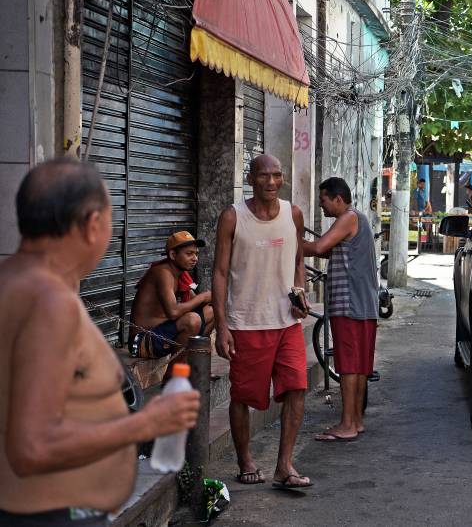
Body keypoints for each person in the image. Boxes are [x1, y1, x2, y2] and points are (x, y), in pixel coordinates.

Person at [0, 158, 199, 525]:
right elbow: (32, 447)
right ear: (93, 225)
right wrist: (145, 424)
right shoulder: (47, 303)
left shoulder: (18, 283)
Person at [212, 154, 311, 489]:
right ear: (250, 178)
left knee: (297, 388)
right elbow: (220, 273)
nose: (271, 182)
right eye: (264, 176)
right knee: (243, 397)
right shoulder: (232, 217)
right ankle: (245, 460)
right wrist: (222, 326)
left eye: (277, 175)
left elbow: (298, 259)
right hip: (246, 323)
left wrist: (300, 293)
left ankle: (285, 465)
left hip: (287, 323)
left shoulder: (293, 214)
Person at [303, 178, 379, 442]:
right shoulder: (358, 219)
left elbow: (319, 247)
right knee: (357, 366)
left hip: (349, 304)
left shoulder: (347, 217)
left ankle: (346, 424)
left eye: (323, 200)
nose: (321, 206)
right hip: (364, 304)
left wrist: (286, 241)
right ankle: (355, 421)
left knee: (348, 366)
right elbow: (330, 251)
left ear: (337, 198)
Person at [129, 231, 214, 362]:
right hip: (142, 340)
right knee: (192, 320)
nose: (195, 258)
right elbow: (173, 312)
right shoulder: (163, 273)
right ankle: (172, 377)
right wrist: (202, 297)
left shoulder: (180, 274)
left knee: (213, 311)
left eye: (196, 254)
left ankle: (196, 365)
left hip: (163, 333)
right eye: (189, 254)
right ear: (173, 255)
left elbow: (195, 303)